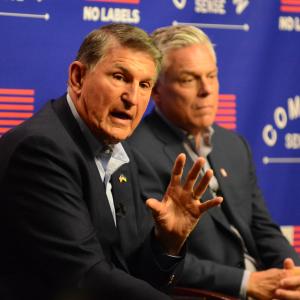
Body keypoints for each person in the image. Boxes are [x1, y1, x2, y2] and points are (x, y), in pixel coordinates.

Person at [0, 24, 222, 300]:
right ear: (78, 77)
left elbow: (136, 274)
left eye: (144, 85)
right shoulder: (40, 150)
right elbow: (86, 278)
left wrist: (168, 241)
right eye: (119, 77)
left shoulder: (119, 153)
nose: (132, 98)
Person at [128, 25, 300, 299]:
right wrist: (246, 282)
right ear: (156, 90)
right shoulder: (134, 152)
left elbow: (262, 227)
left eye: (212, 75)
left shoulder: (234, 145)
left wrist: (292, 273)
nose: (207, 89)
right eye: (188, 80)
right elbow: (153, 259)